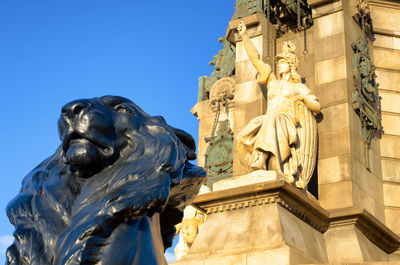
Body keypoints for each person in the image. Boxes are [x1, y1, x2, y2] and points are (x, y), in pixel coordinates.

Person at [236, 22, 321, 188]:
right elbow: (256, 60)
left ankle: (260, 159)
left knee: (274, 118)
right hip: (269, 121)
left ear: (291, 65)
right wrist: (244, 36)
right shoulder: (272, 83)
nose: (279, 64)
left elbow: (316, 106)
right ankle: (258, 159)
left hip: (285, 122)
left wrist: (304, 101)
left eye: (282, 62)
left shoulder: (298, 87)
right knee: (243, 135)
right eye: (278, 62)